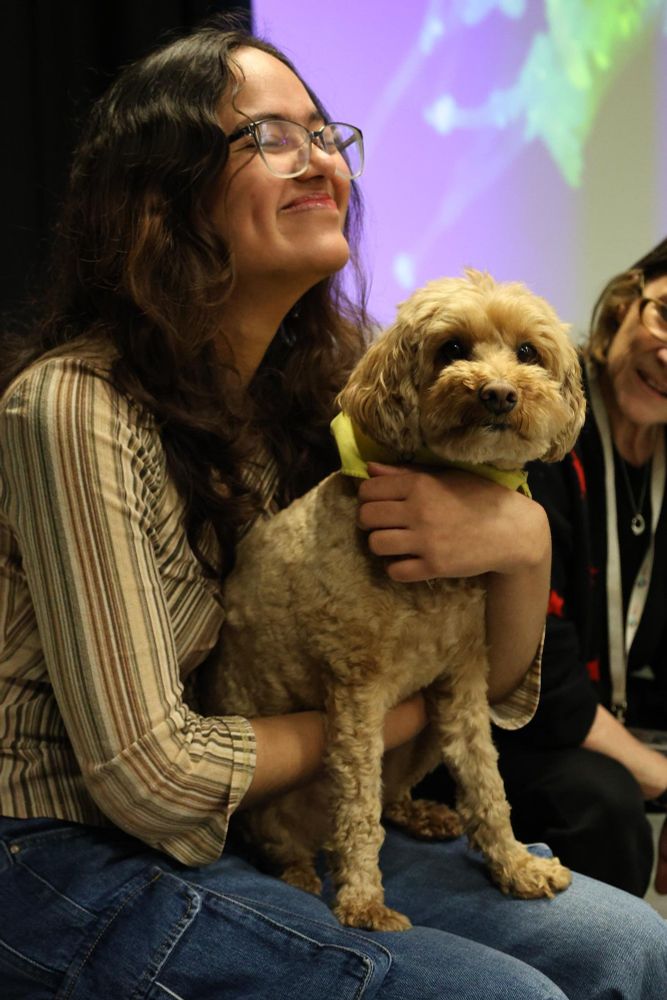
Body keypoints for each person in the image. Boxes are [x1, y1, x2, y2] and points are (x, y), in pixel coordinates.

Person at [0, 18, 665, 999]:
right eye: (269, 137)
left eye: (325, 134)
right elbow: (154, 777)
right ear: (157, 197)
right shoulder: (71, 407)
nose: (319, 161)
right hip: (66, 851)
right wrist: (390, 712)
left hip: (258, 821)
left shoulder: (331, 397)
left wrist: (521, 544)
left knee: (633, 946)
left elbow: (494, 689)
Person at [482, 239, 667, 900]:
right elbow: (539, 677)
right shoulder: (543, 419)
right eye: (665, 316)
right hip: (507, 726)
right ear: (626, 302)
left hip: (611, 708)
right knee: (603, 802)